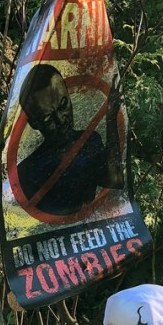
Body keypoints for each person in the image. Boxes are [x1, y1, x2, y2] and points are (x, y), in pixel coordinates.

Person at [15, 64, 124, 215]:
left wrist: (111, 118)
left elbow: (115, 181)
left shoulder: (90, 141)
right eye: (48, 118)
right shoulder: (26, 173)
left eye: (63, 105)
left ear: (69, 95)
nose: (61, 120)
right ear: (34, 123)